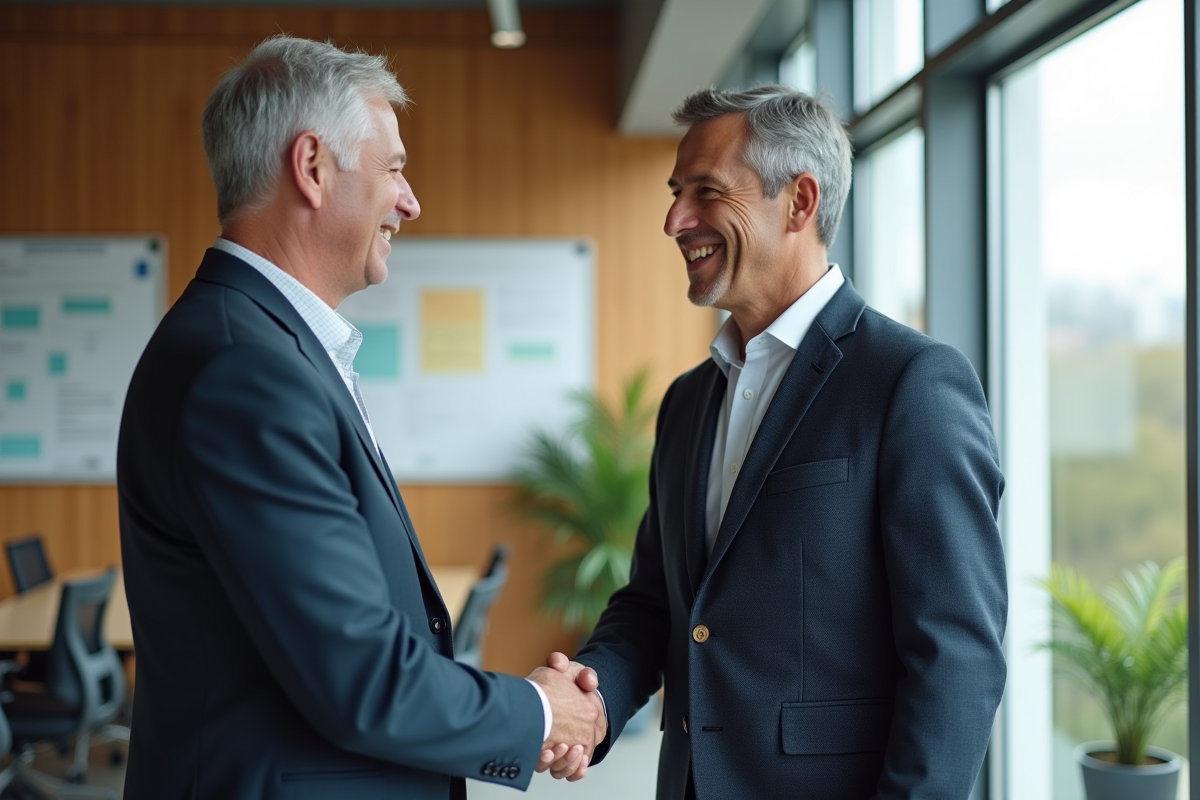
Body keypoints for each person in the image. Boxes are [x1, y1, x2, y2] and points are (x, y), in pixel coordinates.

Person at [116, 36, 602, 800]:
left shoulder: (265, 348)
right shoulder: (246, 372)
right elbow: (361, 675)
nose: (410, 201)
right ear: (312, 167)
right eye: (396, 168)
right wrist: (542, 714)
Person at [546, 86, 1007, 799]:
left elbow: (957, 660)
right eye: (675, 193)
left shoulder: (910, 382)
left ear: (799, 202)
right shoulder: (687, 402)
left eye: (705, 192)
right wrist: (593, 702)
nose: (674, 220)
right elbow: (655, 603)